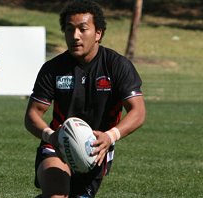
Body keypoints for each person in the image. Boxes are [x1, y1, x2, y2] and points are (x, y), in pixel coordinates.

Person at [24, 0, 146, 197]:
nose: (75, 36)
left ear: (98, 33)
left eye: (83, 29)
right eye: (69, 29)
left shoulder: (117, 66)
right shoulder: (53, 68)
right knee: (57, 194)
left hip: (96, 150)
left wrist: (110, 136)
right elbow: (32, 115)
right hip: (58, 145)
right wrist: (51, 136)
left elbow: (138, 111)